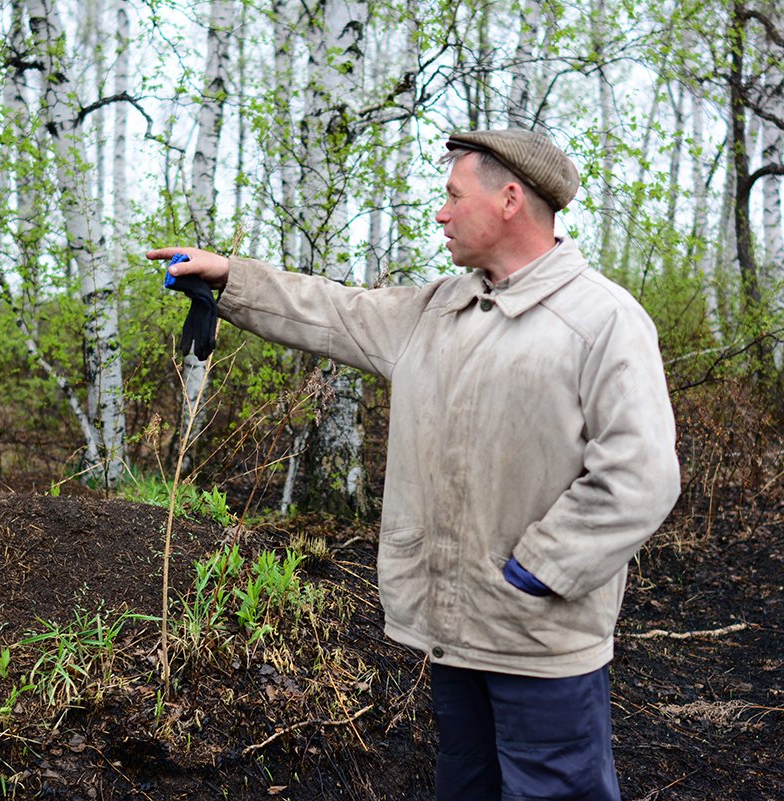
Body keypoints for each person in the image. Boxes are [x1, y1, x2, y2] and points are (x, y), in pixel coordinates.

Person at [147, 128, 681, 801]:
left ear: (510, 199)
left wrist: (540, 571)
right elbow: (334, 312)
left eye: (454, 195)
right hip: (456, 637)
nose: (441, 211)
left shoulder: (602, 320)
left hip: (542, 644)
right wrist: (231, 277)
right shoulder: (438, 310)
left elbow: (641, 475)